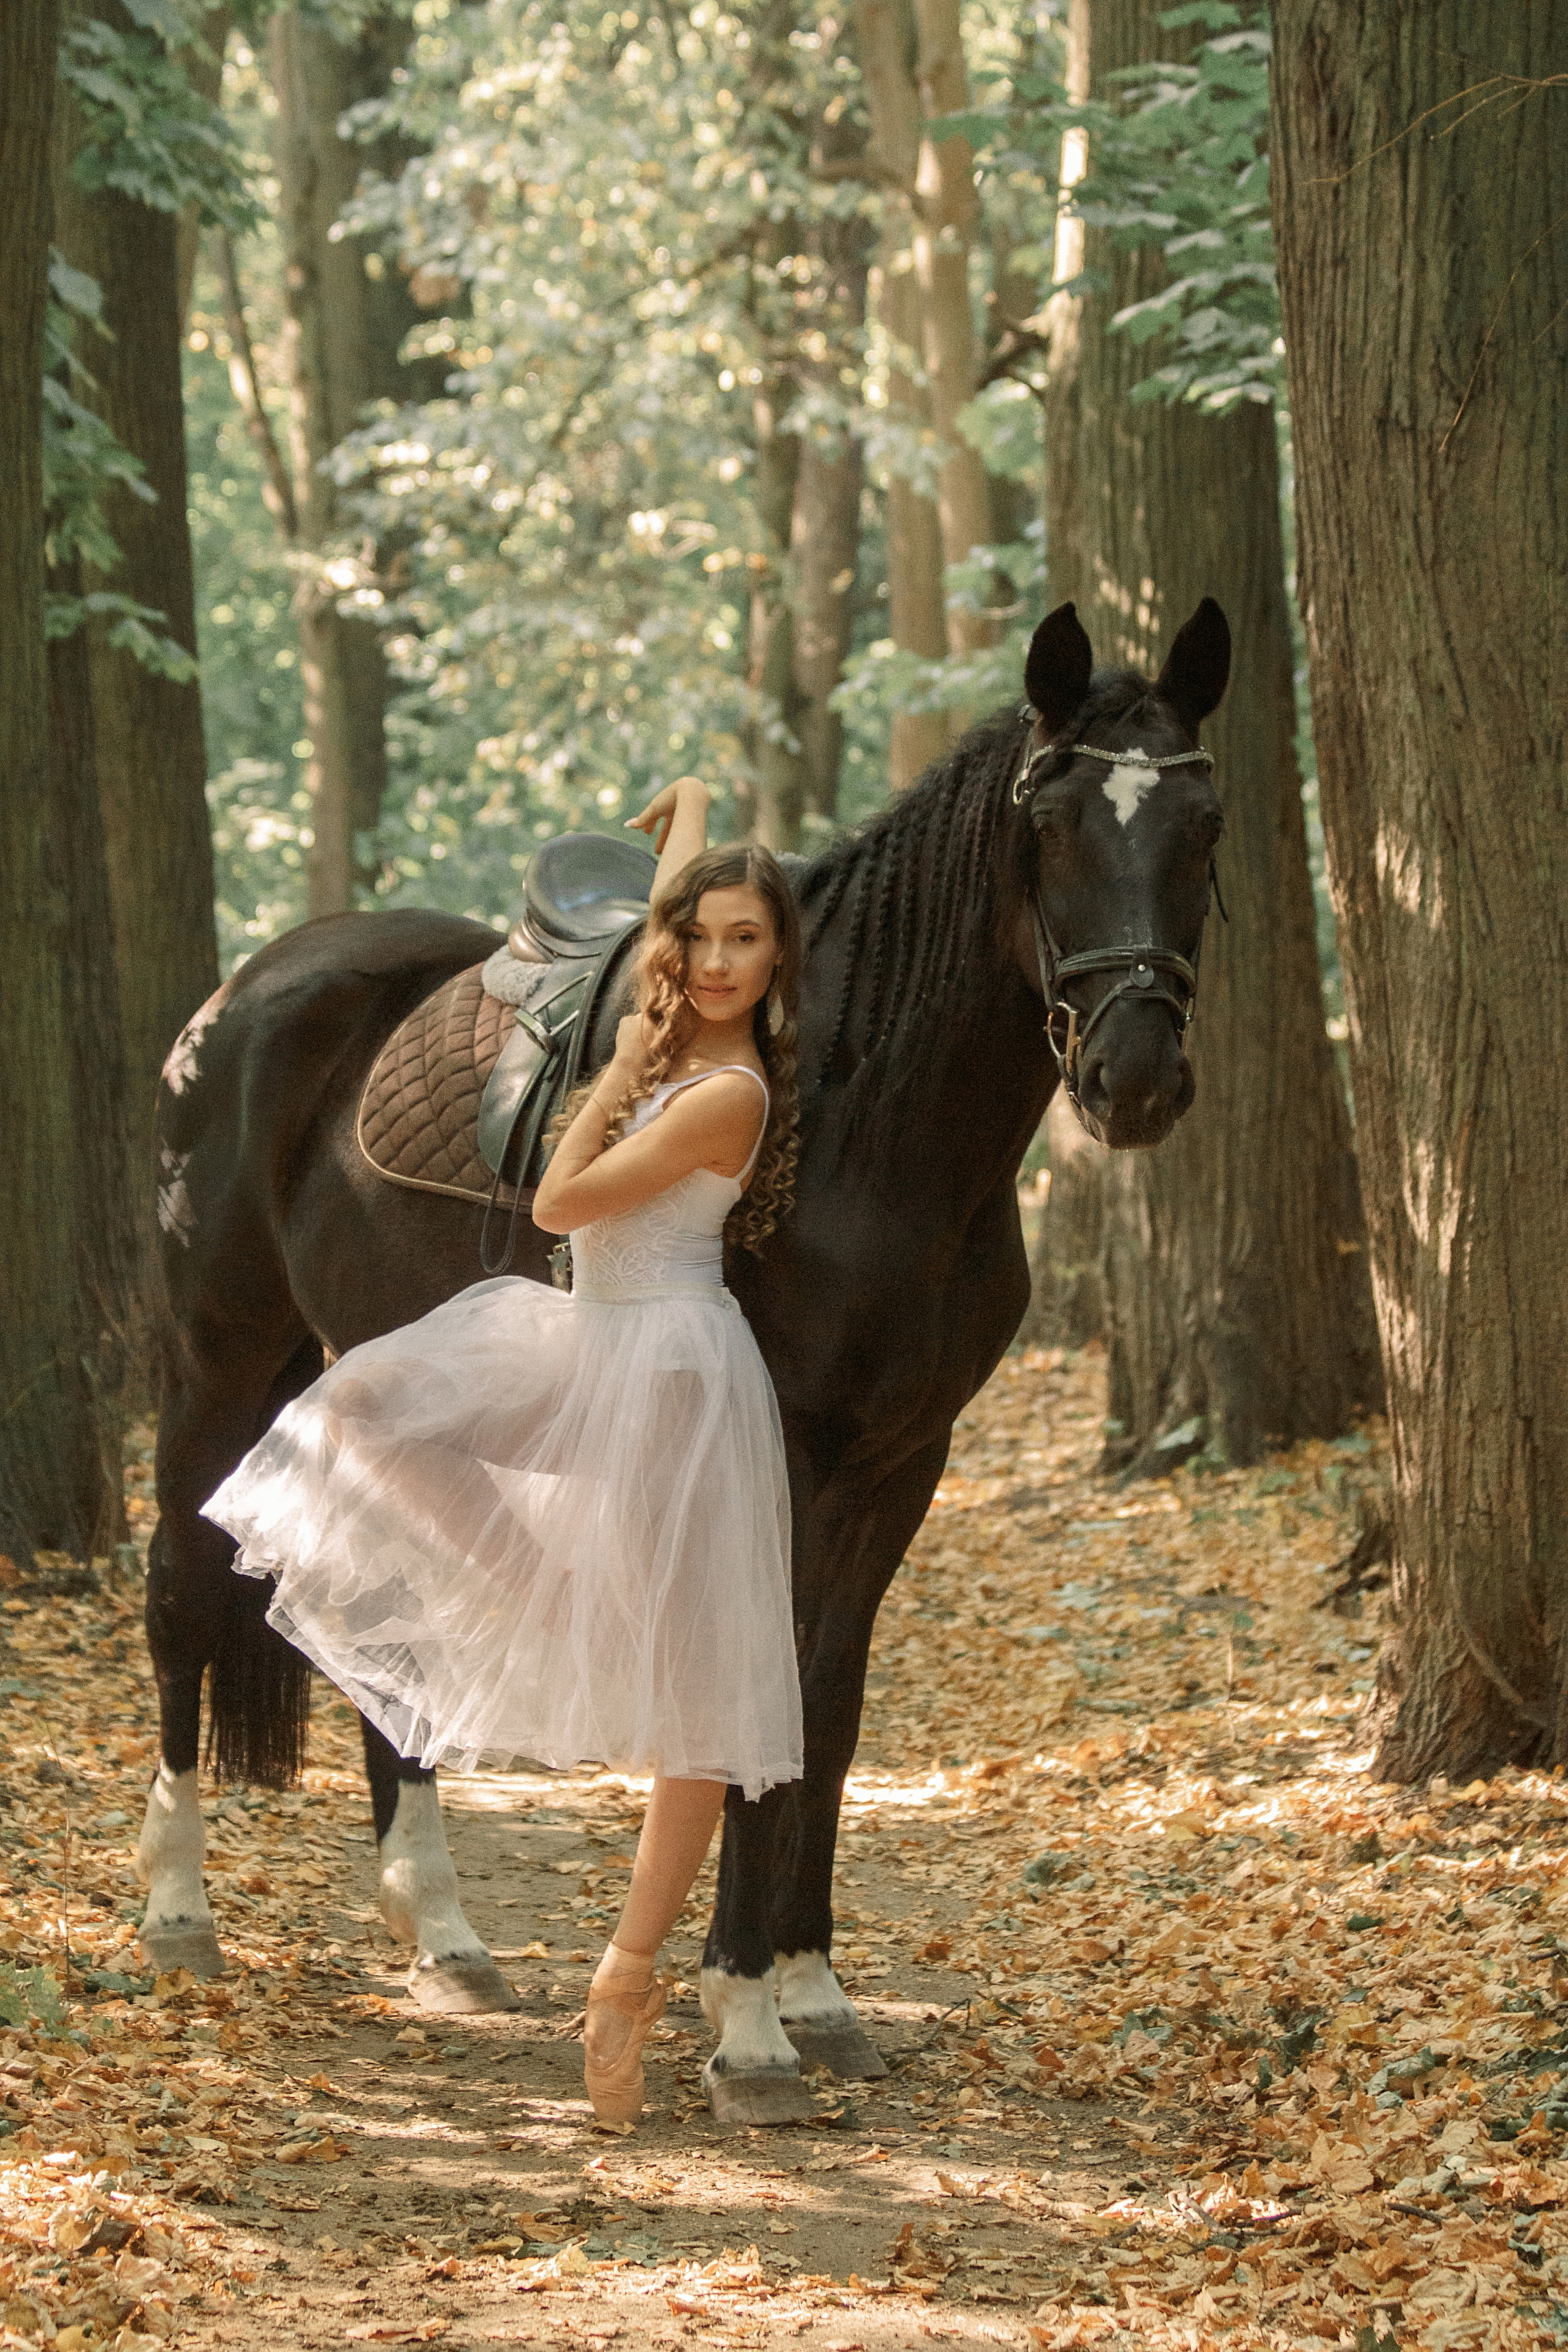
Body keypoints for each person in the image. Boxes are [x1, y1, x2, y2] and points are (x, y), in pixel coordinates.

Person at [203, 775, 804, 2123]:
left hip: (666, 1363)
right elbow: (674, 932)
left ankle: (625, 1981)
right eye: (698, 939)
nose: (713, 962)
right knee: (360, 1409)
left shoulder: (724, 1094)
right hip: (588, 1336)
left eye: (742, 943)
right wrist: (695, 814)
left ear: (777, 962)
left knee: (699, 1705)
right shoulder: (681, 1033)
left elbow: (559, 1197)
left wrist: (607, 1082)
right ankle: (542, 1606)